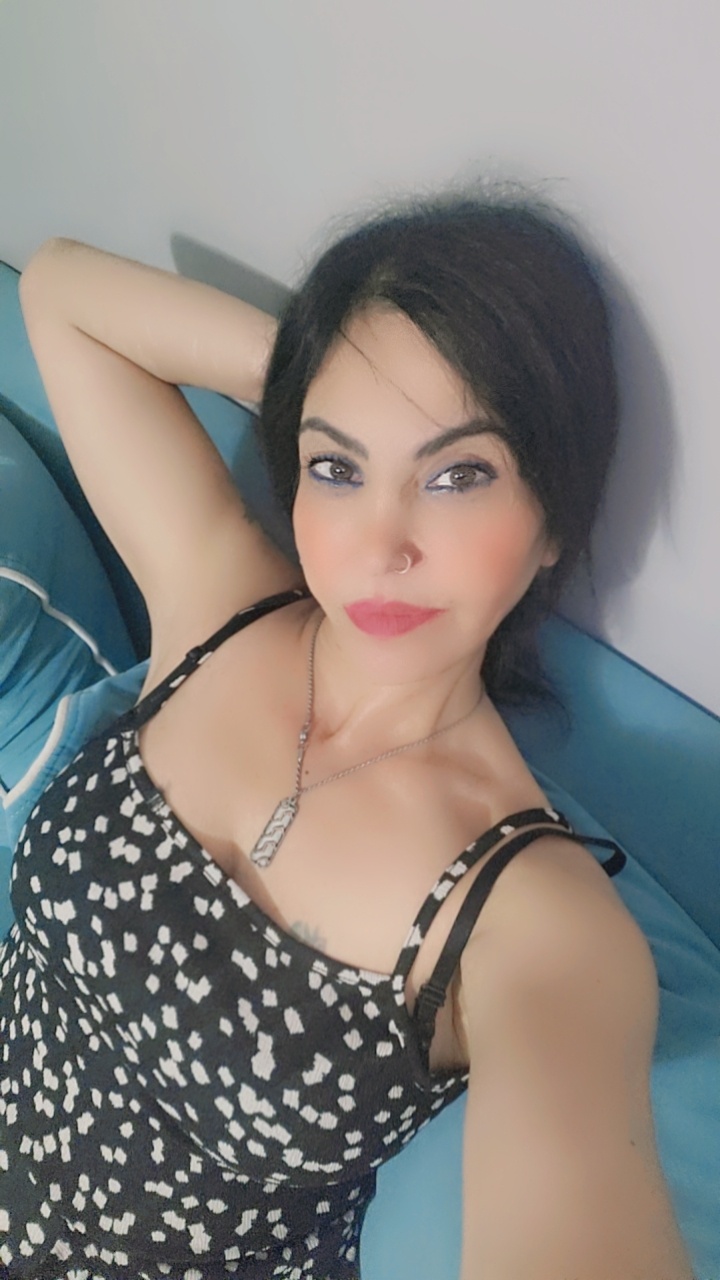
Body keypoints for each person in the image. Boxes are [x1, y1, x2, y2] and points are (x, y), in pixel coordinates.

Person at [0, 193, 695, 1279]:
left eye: (458, 474)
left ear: (555, 516)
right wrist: (320, 377)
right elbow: (61, 291)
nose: (380, 544)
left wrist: (352, 411)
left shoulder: (535, 922)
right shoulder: (222, 609)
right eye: (337, 467)